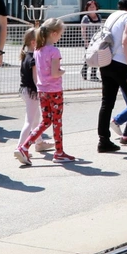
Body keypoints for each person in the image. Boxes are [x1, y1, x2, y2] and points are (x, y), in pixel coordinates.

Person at [18, 18, 74, 165]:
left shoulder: (37, 50)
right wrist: (63, 71)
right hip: (55, 90)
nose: (61, 36)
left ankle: (24, 146)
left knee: (46, 120)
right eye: (60, 34)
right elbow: (55, 73)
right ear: (54, 33)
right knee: (57, 121)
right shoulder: (54, 51)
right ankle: (59, 152)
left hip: (42, 90)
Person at [97, 0, 127, 153]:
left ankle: (103, 140)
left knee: (107, 103)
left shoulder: (113, 16)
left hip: (106, 62)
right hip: (121, 64)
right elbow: (126, 42)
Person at [15, 28, 42, 160]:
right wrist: (41, 91)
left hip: (25, 90)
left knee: (36, 118)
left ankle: (39, 142)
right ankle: (20, 147)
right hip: (32, 92)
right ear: (33, 42)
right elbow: (36, 78)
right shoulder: (34, 59)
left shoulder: (25, 55)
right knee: (29, 121)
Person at [79, 0, 101, 81]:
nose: (92, 9)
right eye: (90, 7)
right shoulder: (85, 18)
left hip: (97, 40)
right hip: (89, 41)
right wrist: (85, 40)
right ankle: (84, 70)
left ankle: (93, 74)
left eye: (93, 7)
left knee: (96, 57)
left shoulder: (99, 16)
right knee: (89, 57)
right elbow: (83, 30)